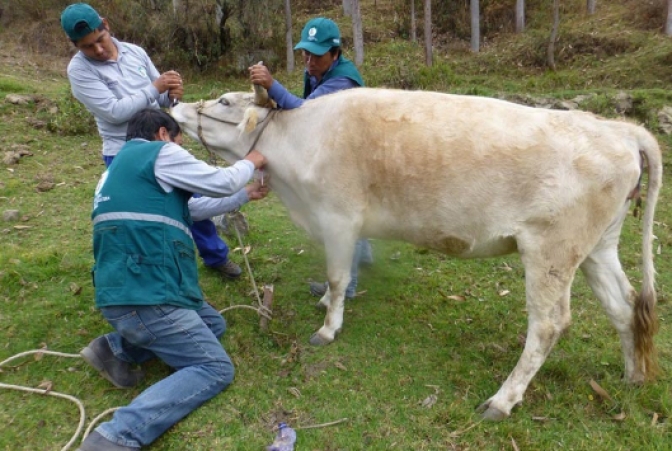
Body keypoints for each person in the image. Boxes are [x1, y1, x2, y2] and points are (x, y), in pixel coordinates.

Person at [77, 108, 267, 451]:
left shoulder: (116, 172)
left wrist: (245, 196)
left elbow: (190, 210)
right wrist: (251, 159)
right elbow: (222, 181)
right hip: (148, 297)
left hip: (123, 295)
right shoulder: (160, 152)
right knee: (213, 367)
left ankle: (115, 348)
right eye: (180, 143)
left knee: (212, 324)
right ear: (164, 134)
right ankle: (117, 436)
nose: (181, 152)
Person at [60, 2, 243, 282]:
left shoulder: (135, 53)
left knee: (194, 198)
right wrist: (154, 88)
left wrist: (170, 94)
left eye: (99, 40)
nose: (97, 50)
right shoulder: (79, 71)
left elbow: (160, 100)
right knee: (142, 215)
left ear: (106, 25)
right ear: (75, 46)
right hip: (123, 152)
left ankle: (216, 256)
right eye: (87, 47)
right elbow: (114, 111)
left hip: (163, 145)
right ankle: (144, 273)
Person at [249, 17, 373, 301]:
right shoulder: (317, 70)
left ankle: (346, 286)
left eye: (316, 55)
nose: (309, 61)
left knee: (343, 213)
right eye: (305, 53)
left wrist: (273, 86)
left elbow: (308, 111)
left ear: (335, 53)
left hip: (355, 152)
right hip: (339, 146)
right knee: (355, 210)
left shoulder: (344, 78)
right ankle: (363, 257)